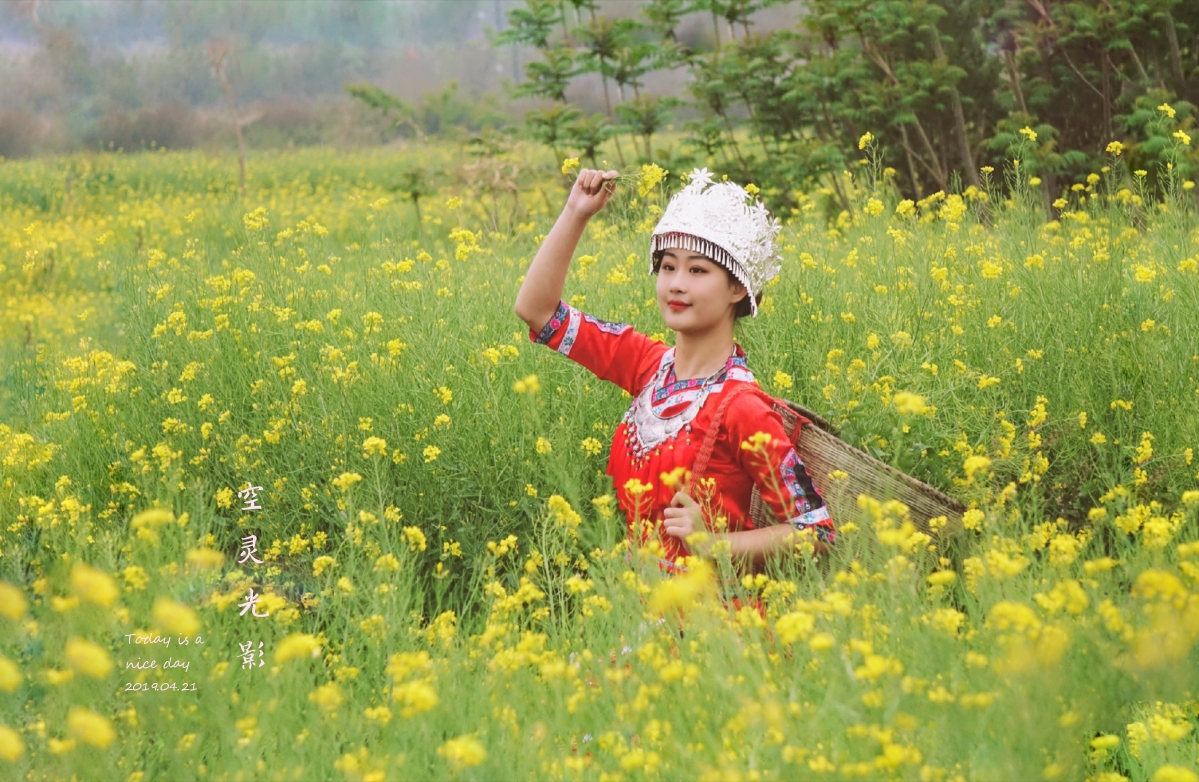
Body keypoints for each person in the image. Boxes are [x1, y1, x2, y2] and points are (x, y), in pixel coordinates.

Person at [513, 166, 834, 582]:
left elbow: (817, 533)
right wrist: (577, 212)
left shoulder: (743, 408)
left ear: (737, 289)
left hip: (708, 625)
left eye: (697, 270)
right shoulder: (645, 365)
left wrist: (715, 544)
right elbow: (538, 312)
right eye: (668, 267)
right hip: (634, 614)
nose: (676, 284)